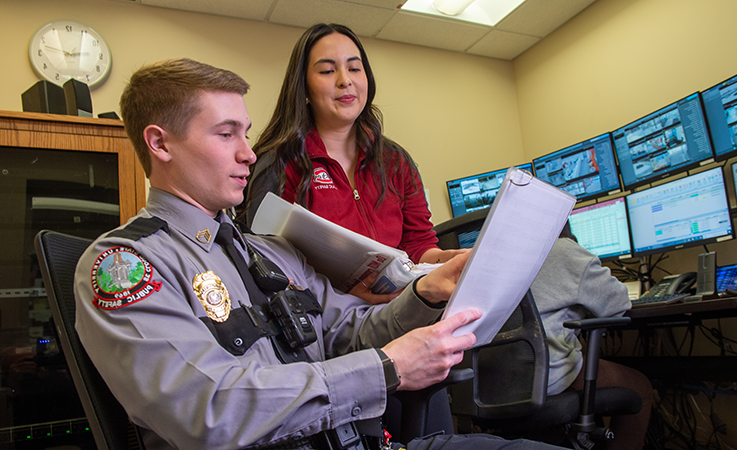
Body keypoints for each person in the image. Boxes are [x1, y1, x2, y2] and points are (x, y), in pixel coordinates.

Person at [73, 58, 565, 450]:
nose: (248, 152)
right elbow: (206, 413)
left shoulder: (272, 253)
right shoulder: (126, 264)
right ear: (160, 143)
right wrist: (387, 368)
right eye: (226, 134)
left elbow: (347, 332)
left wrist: (424, 293)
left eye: (245, 133)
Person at [241, 23, 465, 304]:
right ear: (304, 88)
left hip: (399, 308)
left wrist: (446, 259)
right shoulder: (278, 163)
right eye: (327, 71)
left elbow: (418, 244)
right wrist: (343, 296)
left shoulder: (395, 161)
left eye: (354, 68)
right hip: (325, 322)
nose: (344, 80)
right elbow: (266, 267)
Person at [530, 223, 653, 450]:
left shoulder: (490, 257)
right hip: (550, 376)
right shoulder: (564, 249)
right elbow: (617, 306)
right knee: (640, 386)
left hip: (492, 382)